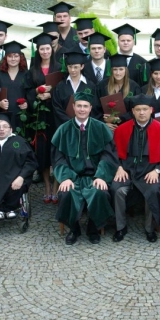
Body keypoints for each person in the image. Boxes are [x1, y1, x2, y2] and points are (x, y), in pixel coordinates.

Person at [52, 92, 119, 245]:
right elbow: (58, 158)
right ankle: (74, 229)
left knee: (100, 192)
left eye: (85, 106)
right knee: (66, 193)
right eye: (79, 106)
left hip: (94, 176)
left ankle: (93, 228)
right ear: (73, 107)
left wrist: (101, 176)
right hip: (72, 177)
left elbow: (108, 155)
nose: (82, 109)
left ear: (90, 108)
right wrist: (65, 177)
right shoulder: (63, 130)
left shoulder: (101, 128)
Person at [112, 94, 160, 243]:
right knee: (117, 189)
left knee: (153, 190)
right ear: (133, 111)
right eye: (138, 109)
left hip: (150, 172)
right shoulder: (121, 130)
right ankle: (120, 227)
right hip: (127, 172)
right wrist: (118, 167)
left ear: (151, 110)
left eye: (145, 109)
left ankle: (149, 228)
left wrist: (157, 171)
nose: (142, 113)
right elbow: (112, 154)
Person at [25, 32, 61, 204]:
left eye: (47, 48)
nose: (45, 52)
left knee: (57, 150)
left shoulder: (59, 68)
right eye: (42, 49)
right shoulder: (32, 70)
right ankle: (47, 185)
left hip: (55, 115)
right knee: (43, 151)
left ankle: (56, 186)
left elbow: (63, 90)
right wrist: (36, 94)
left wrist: (51, 95)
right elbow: (27, 91)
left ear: (51, 49)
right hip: (39, 116)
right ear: (38, 51)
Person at [0, 41, 30, 133]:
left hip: (22, 117)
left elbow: (30, 94)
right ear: (5, 58)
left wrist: (27, 103)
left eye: (16, 56)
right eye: (10, 56)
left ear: (20, 57)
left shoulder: (27, 75)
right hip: (3, 118)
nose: (13, 59)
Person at [52, 49, 100, 127]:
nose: (73, 70)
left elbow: (94, 107)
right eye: (70, 67)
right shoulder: (60, 86)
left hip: (85, 126)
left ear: (82, 66)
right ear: (67, 67)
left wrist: (83, 122)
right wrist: (70, 122)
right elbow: (57, 108)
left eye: (76, 67)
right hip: (65, 126)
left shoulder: (90, 86)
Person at [96, 53, 141, 130]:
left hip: (127, 127)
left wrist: (119, 119)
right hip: (106, 128)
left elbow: (137, 109)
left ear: (126, 70)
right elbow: (95, 108)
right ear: (111, 70)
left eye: (121, 69)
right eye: (115, 69)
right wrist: (104, 122)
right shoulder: (102, 85)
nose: (118, 73)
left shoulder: (134, 87)